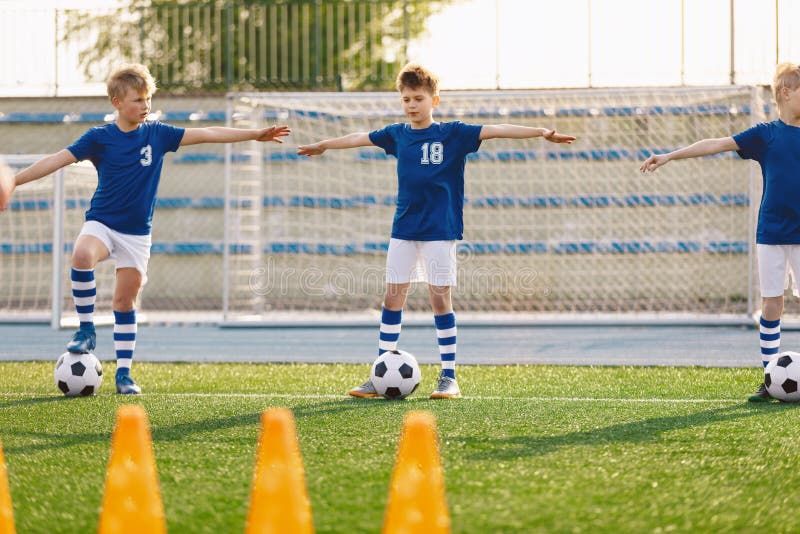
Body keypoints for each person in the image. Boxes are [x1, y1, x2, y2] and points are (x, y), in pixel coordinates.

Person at [1, 64, 290, 394]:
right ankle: (86, 330)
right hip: (103, 223)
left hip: (136, 236)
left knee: (125, 302)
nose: (145, 105)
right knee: (82, 254)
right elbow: (55, 160)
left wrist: (253, 134)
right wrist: (13, 181)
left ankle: (124, 375)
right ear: (117, 103)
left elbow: (208, 132)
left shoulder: (159, 134)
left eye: (148, 98)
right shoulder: (99, 138)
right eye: (138, 99)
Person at [298, 62, 576, 399]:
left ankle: (449, 377)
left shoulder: (453, 134)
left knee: (439, 299)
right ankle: (378, 374)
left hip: (440, 232)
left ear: (434, 101)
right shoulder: (396, 135)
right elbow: (359, 138)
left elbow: (497, 128)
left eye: (417, 98)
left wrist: (542, 132)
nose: (411, 105)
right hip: (403, 229)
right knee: (392, 297)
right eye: (405, 99)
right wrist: (324, 144)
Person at [640, 62, 800, 402]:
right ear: (786, 94)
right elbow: (716, 143)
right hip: (771, 233)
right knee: (771, 304)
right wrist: (669, 155)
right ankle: (772, 379)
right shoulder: (765, 135)